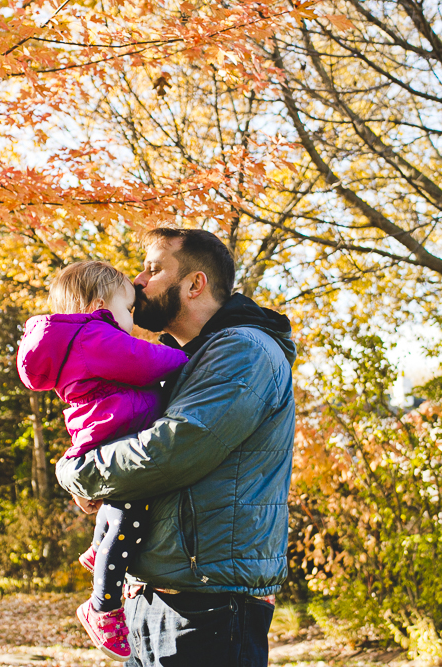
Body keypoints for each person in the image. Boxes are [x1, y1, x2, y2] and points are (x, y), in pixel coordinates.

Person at [56, 228, 296, 667]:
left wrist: (76, 471)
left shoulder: (244, 352)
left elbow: (168, 453)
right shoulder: (186, 363)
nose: (139, 280)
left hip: (210, 609)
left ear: (194, 284)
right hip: (158, 599)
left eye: (153, 268)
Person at [16, 260, 189, 661]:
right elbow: (146, 362)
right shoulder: (95, 335)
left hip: (106, 433)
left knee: (124, 513)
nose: (133, 318)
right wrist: (185, 359)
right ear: (100, 305)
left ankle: (100, 547)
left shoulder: (82, 340)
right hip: (111, 434)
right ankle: (101, 607)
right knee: (130, 515)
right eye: (128, 309)